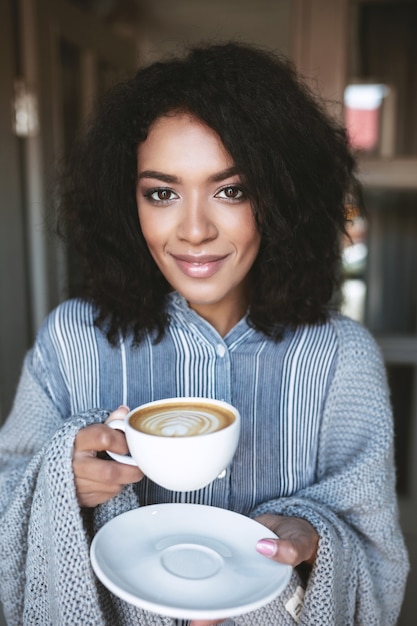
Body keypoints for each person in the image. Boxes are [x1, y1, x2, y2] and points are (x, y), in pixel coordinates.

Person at [0, 41, 409, 626]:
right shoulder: (71, 342)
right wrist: (59, 483)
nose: (193, 229)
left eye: (231, 190)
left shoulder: (342, 359)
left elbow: (378, 557)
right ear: (126, 201)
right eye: (162, 193)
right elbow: (5, 498)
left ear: (281, 196)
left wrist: (315, 538)